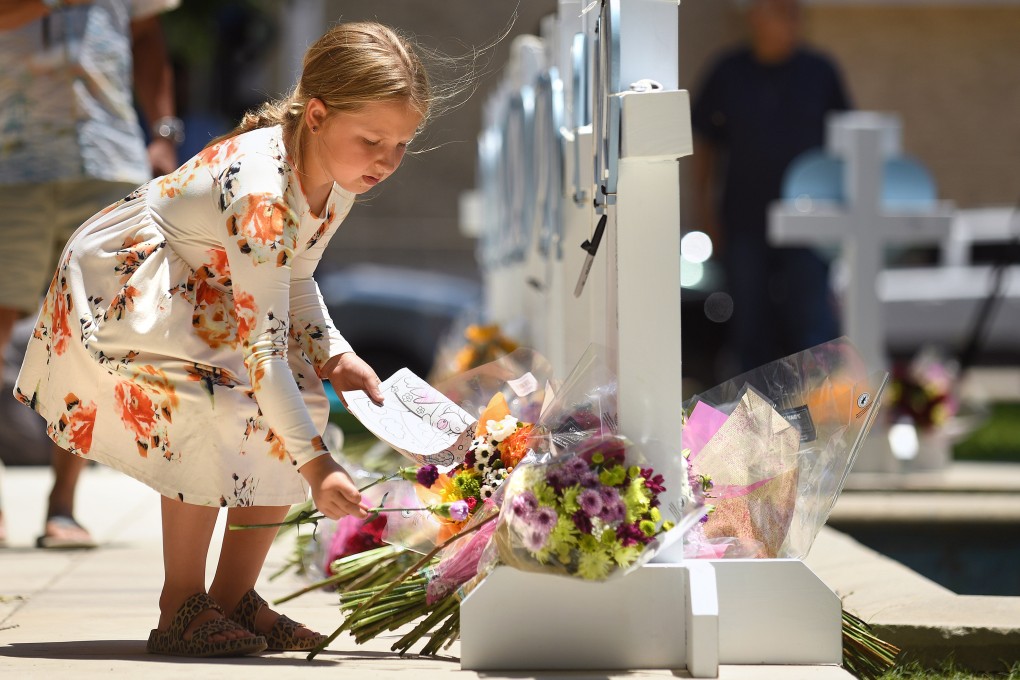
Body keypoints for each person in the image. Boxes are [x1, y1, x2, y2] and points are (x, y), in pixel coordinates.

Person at [13, 21, 428, 656]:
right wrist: (317, 470)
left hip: (202, 285)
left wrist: (335, 355)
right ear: (315, 115)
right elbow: (264, 350)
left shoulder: (337, 175)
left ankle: (232, 599)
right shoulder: (260, 192)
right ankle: (180, 603)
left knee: (305, 404)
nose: (387, 162)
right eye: (373, 140)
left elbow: (295, 275)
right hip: (132, 285)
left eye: (401, 145)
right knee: (210, 406)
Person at [0, 0, 181, 549]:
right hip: (12, 163)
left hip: (108, 159)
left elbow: (147, 36)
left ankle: (65, 508)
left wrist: (163, 133)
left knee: (94, 339)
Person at [691, 0, 852, 372]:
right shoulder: (728, 72)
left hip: (810, 225)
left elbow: (847, 142)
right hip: (746, 221)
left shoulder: (820, 72)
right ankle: (756, 421)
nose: (790, 18)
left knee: (812, 325)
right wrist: (704, 210)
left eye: (795, 10)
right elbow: (703, 144)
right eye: (779, 9)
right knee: (749, 326)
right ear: (753, 16)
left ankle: (821, 417)